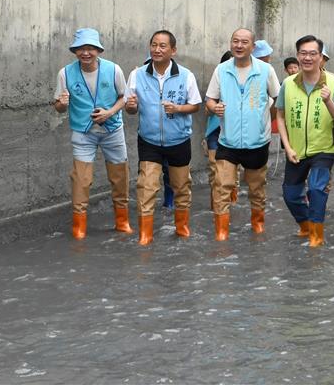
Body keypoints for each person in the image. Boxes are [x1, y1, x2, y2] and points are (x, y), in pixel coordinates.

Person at [53, 28, 132, 239]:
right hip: (83, 132)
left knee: (119, 177)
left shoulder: (114, 70)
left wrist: (110, 113)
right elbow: (58, 106)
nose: (85, 53)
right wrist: (61, 104)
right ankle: (79, 226)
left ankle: (122, 221)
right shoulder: (65, 73)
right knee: (81, 179)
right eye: (81, 48)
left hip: (112, 130)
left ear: (98, 50)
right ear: (75, 51)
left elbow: (124, 98)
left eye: (90, 48)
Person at [124, 30, 202, 245]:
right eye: (154, 45)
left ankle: (182, 228)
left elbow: (195, 105)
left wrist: (177, 108)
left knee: (181, 187)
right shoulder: (137, 74)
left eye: (162, 46)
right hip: (149, 141)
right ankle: (145, 236)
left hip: (178, 140)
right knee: (146, 186)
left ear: (173, 50)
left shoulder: (185, 75)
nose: (157, 49)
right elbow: (131, 108)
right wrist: (131, 107)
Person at [205, 29, 281, 241]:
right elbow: (210, 99)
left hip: (257, 142)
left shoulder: (265, 70)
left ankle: (257, 226)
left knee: (256, 189)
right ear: (231, 44)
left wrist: (263, 119)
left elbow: (278, 99)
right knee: (221, 186)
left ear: (252, 47)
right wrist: (214, 107)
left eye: (244, 42)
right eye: (235, 41)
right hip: (227, 141)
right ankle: (221, 233)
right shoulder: (221, 69)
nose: (239, 45)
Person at [278, 35, 334, 247]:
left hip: (324, 148)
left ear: (321, 57)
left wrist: (328, 101)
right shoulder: (288, 83)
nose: (307, 57)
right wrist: (287, 147)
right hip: (296, 150)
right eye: (303, 53)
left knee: (317, 189)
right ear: (298, 55)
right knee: (290, 195)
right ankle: (306, 225)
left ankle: (317, 236)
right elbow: (279, 115)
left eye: (313, 54)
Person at [204, 51, 234, 211]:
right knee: (214, 168)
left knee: (231, 170)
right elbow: (206, 110)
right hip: (215, 131)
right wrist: (214, 108)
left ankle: (229, 200)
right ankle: (216, 205)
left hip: (235, 131)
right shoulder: (217, 81)